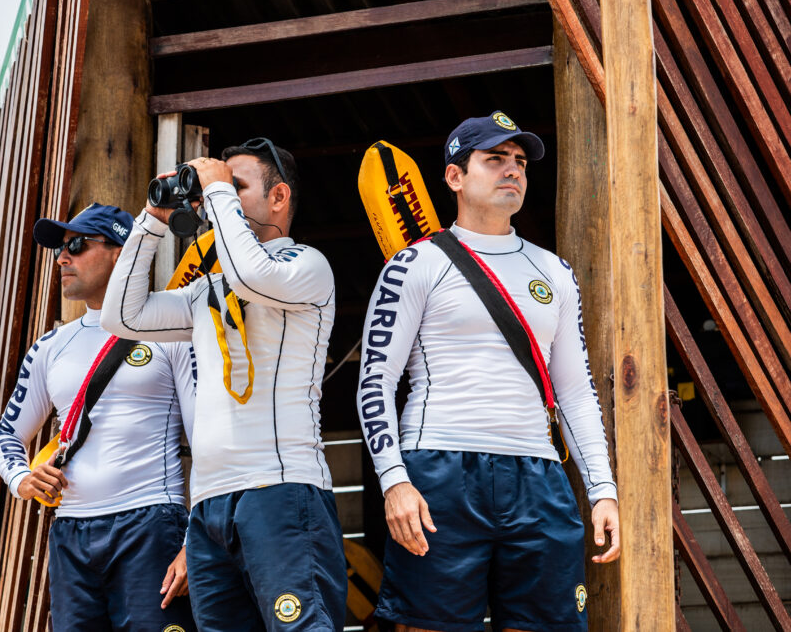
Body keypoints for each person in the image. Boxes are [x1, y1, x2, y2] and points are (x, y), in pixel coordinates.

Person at [356, 111, 620, 632]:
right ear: (455, 177)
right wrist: (394, 481)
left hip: (538, 475)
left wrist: (602, 489)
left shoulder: (555, 271)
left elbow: (575, 391)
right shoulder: (415, 264)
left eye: (519, 162)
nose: (512, 171)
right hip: (439, 469)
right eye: (494, 159)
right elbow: (375, 382)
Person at [101, 139, 347, 631]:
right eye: (219, 188)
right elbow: (122, 316)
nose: (221, 196)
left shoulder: (306, 265)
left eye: (236, 187)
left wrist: (214, 193)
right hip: (209, 506)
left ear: (278, 198)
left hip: (280, 489)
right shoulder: (205, 291)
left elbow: (253, 277)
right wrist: (152, 218)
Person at [0, 203, 198, 632]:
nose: (62, 258)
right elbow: (7, 433)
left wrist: (195, 542)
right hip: (71, 534)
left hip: (151, 524)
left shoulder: (175, 326)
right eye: (59, 250)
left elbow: (208, 440)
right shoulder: (50, 346)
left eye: (77, 245)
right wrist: (21, 478)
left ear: (122, 252)